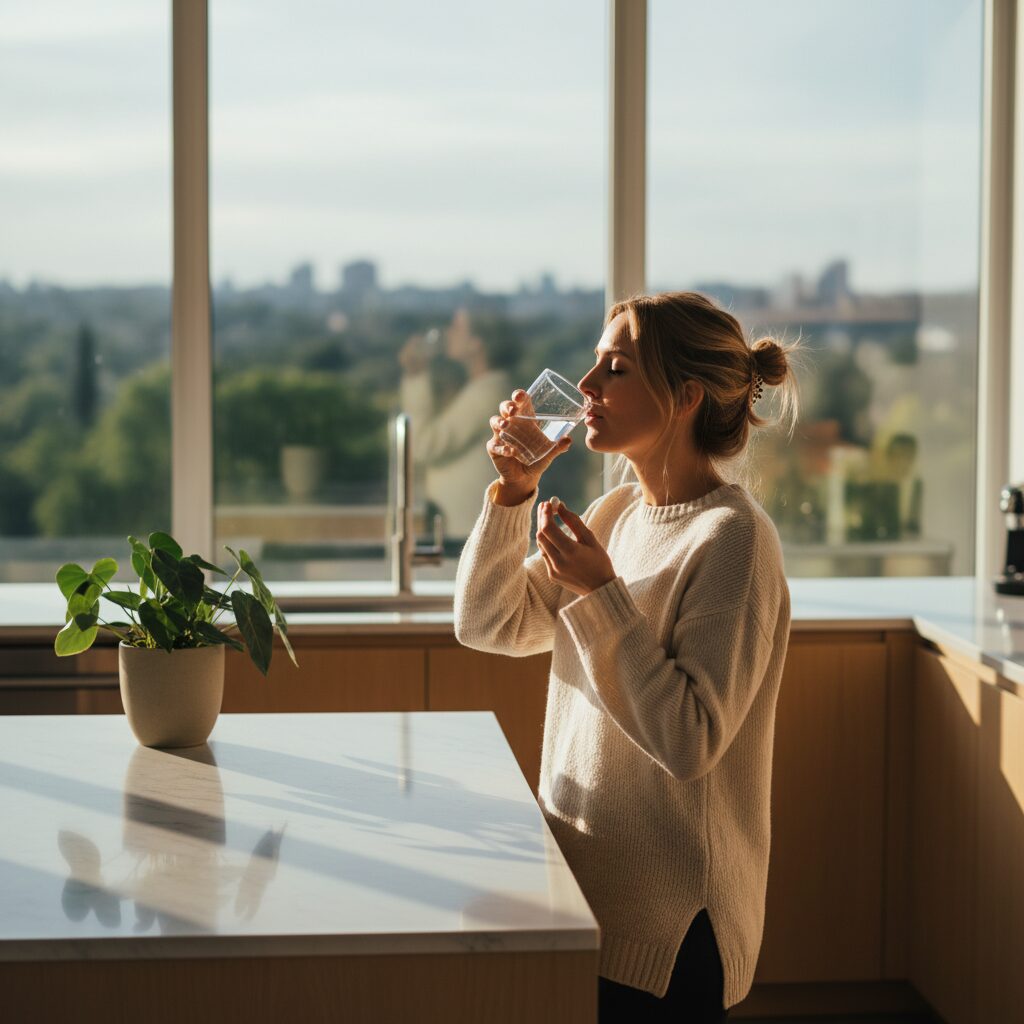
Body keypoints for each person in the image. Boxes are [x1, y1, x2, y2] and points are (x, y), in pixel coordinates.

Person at [453, 291, 801, 1023]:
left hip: (670, 932)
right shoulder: (616, 515)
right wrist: (515, 495)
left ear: (684, 397)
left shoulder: (733, 541)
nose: (585, 387)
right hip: (586, 895)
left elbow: (688, 741)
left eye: (613, 368)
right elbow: (487, 624)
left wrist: (601, 593)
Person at [399, 308, 518, 540]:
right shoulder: (480, 389)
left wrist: (415, 375)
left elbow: (424, 445)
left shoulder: (487, 392)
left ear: (476, 343)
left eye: (457, 327)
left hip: (468, 533)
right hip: (466, 528)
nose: (448, 333)